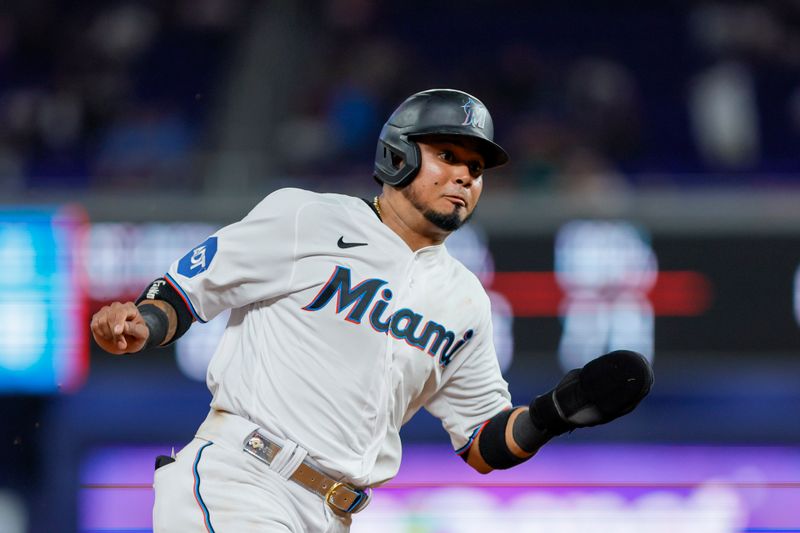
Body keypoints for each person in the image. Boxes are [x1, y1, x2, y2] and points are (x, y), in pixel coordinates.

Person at [90, 89, 653, 532]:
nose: (464, 175)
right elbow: (189, 291)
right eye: (448, 156)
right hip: (243, 479)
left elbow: (482, 442)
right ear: (398, 154)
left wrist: (555, 413)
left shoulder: (464, 300)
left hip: (334, 514)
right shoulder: (307, 218)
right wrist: (145, 320)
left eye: (476, 168)